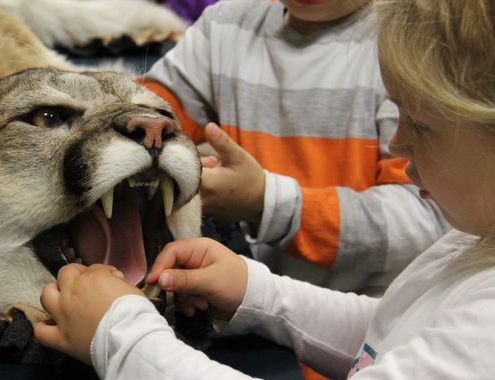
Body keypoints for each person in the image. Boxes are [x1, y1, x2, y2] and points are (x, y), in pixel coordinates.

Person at [34, 0, 495, 380]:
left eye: (420, 124)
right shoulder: (491, 232)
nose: (398, 142)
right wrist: (256, 292)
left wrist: (120, 335)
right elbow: (392, 331)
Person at [142, 0, 449, 294]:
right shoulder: (224, 28)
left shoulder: (410, 42)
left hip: (379, 315)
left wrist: (265, 202)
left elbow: (423, 223)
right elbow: (149, 113)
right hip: (259, 297)